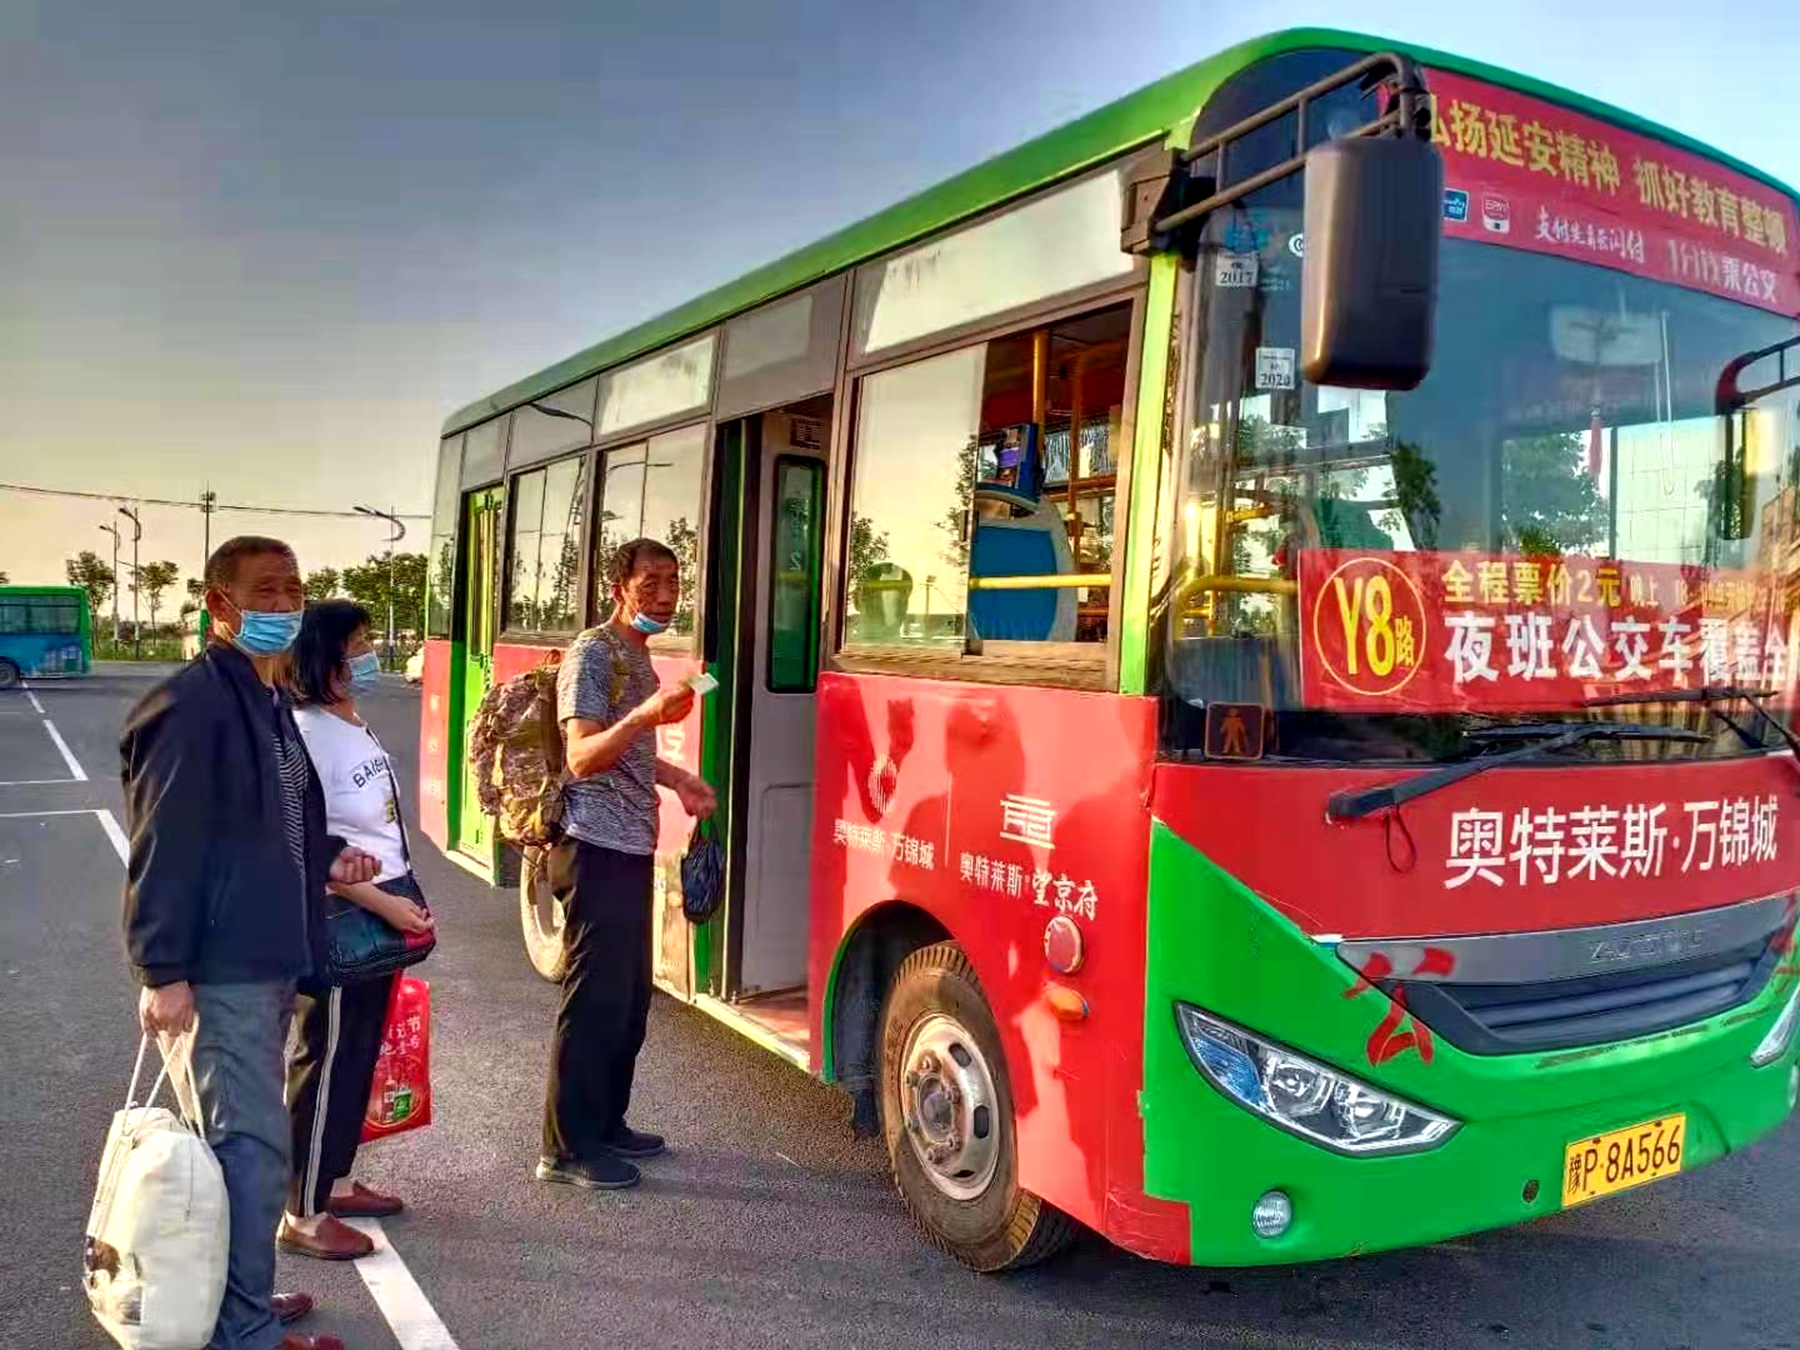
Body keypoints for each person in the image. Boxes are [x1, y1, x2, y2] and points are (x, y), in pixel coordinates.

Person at [123, 536, 378, 1350]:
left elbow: (267, 818)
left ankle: (242, 1306)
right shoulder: (192, 705)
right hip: (220, 967)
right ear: (218, 605)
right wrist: (164, 970)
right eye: (264, 591)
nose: (283, 605)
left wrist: (328, 855)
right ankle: (243, 1332)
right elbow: (165, 842)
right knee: (251, 1152)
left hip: (268, 959)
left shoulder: (264, 700)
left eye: (293, 590)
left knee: (243, 1154)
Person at [537, 537, 716, 1192]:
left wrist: (678, 779)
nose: (665, 596)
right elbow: (583, 757)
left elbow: (631, 753)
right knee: (593, 1003)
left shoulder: (638, 655)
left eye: (673, 582)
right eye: (650, 583)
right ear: (619, 589)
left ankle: (607, 1123)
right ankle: (565, 1149)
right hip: (592, 846)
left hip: (630, 844)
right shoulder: (594, 653)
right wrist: (645, 715)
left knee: (629, 999)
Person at [280, 600, 434, 1261]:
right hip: (341, 916)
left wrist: (400, 898)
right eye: (361, 642)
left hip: (381, 905)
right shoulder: (306, 732)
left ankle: (335, 1180)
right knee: (328, 1062)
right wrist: (384, 905)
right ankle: (302, 1212)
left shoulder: (347, 720)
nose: (372, 653)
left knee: (359, 1056)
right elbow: (308, 844)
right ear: (326, 656)